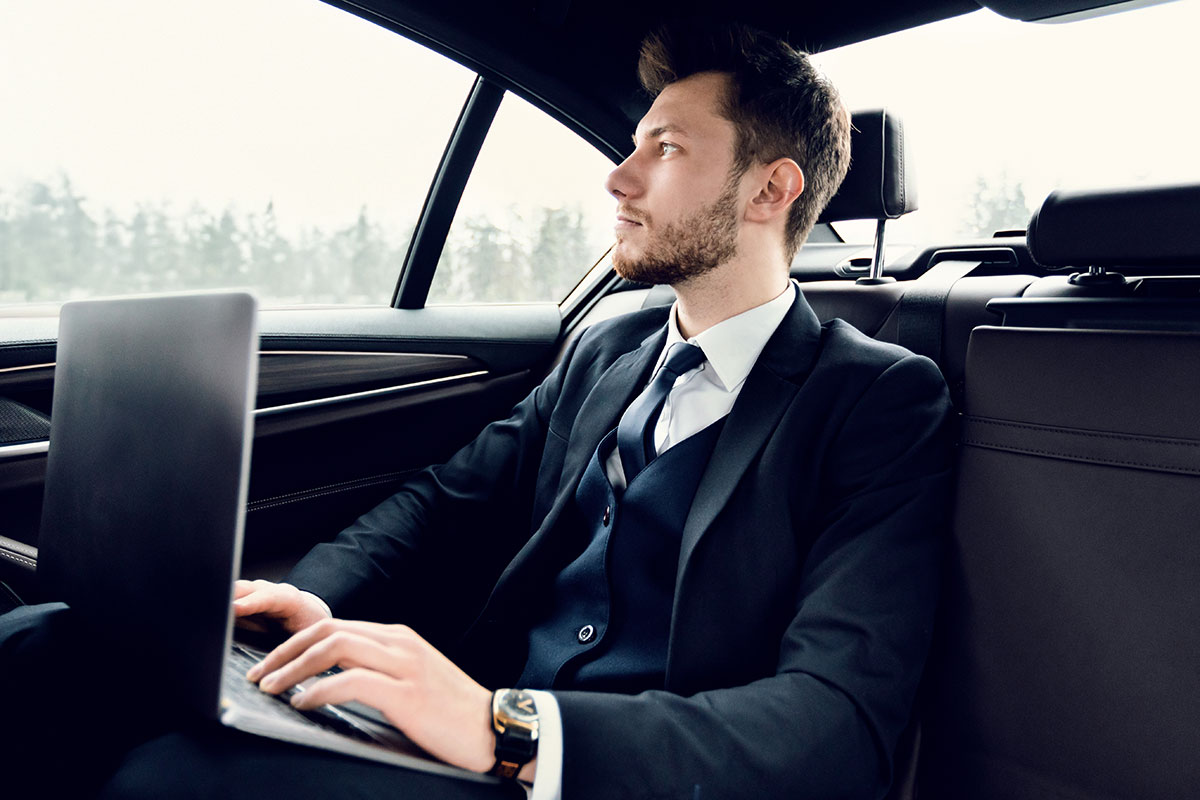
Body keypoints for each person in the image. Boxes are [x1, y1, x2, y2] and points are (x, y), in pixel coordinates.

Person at [1, 22, 954, 800]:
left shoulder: (877, 399)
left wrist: (506, 727)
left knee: (169, 781)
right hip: (469, 724)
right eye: (631, 145)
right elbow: (440, 502)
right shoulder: (609, 348)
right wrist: (308, 604)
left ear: (771, 189)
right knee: (48, 648)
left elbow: (836, 723)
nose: (619, 178)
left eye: (663, 149)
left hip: (593, 772)